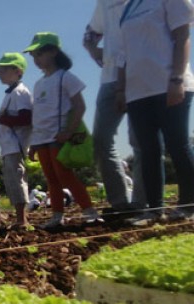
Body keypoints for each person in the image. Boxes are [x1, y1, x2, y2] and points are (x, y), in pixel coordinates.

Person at [118, 0, 194, 225]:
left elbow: (182, 36)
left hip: (168, 84)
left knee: (177, 144)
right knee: (148, 150)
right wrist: (120, 89)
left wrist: (177, 78)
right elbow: (124, 54)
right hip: (137, 92)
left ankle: (188, 206)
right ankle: (154, 210)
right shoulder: (128, 7)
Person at [24, 32, 103, 229]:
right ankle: (57, 217)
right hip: (42, 138)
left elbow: (79, 106)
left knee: (65, 176)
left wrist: (68, 131)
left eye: (39, 54)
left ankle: (90, 212)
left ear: (54, 52)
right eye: (33, 56)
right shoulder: (39, 83)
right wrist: (33, 142)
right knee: (51, 179)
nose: (36, 59)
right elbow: (38, 116)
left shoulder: (65, 78)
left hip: (58, 137)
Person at [84, 0, 146, 213]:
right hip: (110, 78)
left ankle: (141, 202)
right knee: (101, 139)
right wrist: (94, 51)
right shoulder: (105, 2)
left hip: (141, 73)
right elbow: (90, 33)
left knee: (140, 140)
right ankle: (119, 202)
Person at [0, 52, 33, 228]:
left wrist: (2, 119)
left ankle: (22, 219)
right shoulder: (11, 93)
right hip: (9, 147)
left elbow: (26, 118)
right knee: (12, 182)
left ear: (17, 71)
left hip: (17, 146)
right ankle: (20, 218)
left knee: (17, 180)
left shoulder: (20, 93)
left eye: (3, 69)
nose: (0, 73)